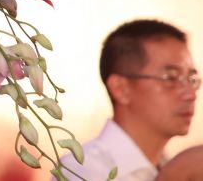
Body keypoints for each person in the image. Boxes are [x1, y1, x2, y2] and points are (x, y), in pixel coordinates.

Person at [81, 20, 199, 181]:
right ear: (121, 89)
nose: (191, 94)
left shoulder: (166, 165)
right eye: (170, 78)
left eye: (191, 79)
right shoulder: (82, 169)